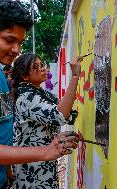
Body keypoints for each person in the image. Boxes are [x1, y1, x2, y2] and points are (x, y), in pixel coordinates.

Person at [0, 1, 78, 188]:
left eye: (20, 42)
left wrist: (8, 171)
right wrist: (45, 151)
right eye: (9, 40)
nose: (16, 50)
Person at [11, 52, 81, 189]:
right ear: (25, 76)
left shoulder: (40, 94)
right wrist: (74, 77)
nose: (42, 68)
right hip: (31, 171)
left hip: (42, 164)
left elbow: (66, 114)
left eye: (42, 64)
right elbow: (59, 115)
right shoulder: (27, 98)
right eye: (36, 67)